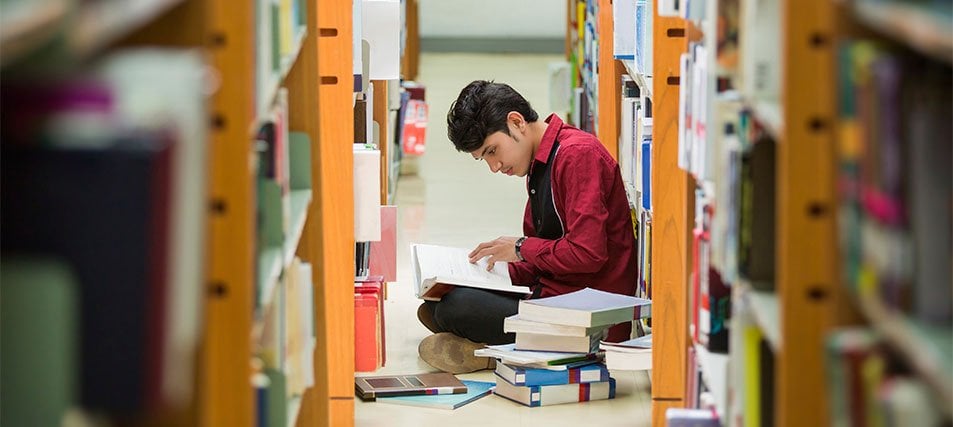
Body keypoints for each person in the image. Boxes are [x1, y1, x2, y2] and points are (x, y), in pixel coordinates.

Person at [416, 80, 638, 374]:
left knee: (457, 308)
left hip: (589, 316)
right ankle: (500, 345)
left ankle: (493, 353)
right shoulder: (540, 164)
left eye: (492, 151)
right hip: (555, 292)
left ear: (516, 121)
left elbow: (588, 253)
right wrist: (491, 273)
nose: (494, 166)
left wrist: (520, 248)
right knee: (440, 302)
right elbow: (545, 255)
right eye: (485, 159)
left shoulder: (577, 155)